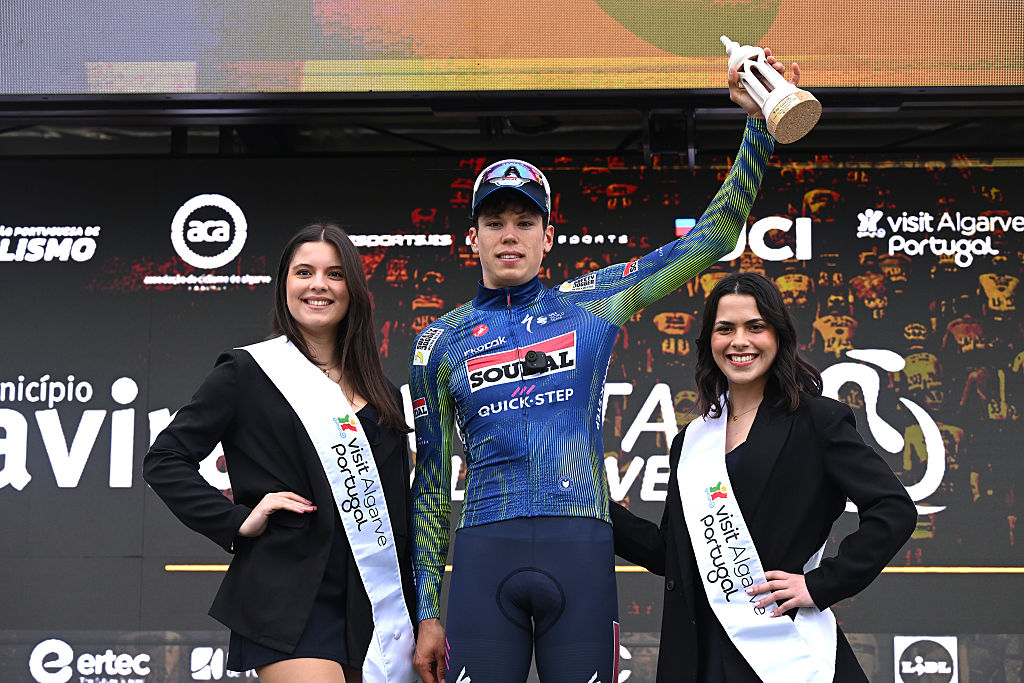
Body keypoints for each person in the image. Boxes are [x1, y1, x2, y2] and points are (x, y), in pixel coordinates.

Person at [409, 52, 797, 683]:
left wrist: (758, 125)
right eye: (494, 222)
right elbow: (428, 485)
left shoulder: (593, 303)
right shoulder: (438, 342)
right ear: (473, 238)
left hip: (581, 553)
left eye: (525, 221)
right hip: (483, 553)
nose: (510, 235)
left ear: (547, 237)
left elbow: (714, 237)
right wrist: (428, 613)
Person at [610, 271, 917, 682]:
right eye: (725, 329)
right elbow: (674, 554)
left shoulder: (816, 420)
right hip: (700, 653)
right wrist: (592, 505)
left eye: (755, 327)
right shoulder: (692, 440)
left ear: (778, 335)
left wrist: (820, 584)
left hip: (783, 650)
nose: (740, 341)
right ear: (709, 341)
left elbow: (894, 509)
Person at [143, 223, 417, 683]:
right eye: (304, 272)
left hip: (372, 607)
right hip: (289, 598)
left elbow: (397, 514)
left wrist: (420, 615)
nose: (318, 285)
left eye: (334, 274)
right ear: (284, 285)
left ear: (353, 289)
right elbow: (164, 459)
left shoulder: (384, 395)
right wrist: (236, 520)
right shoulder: (248, 371)